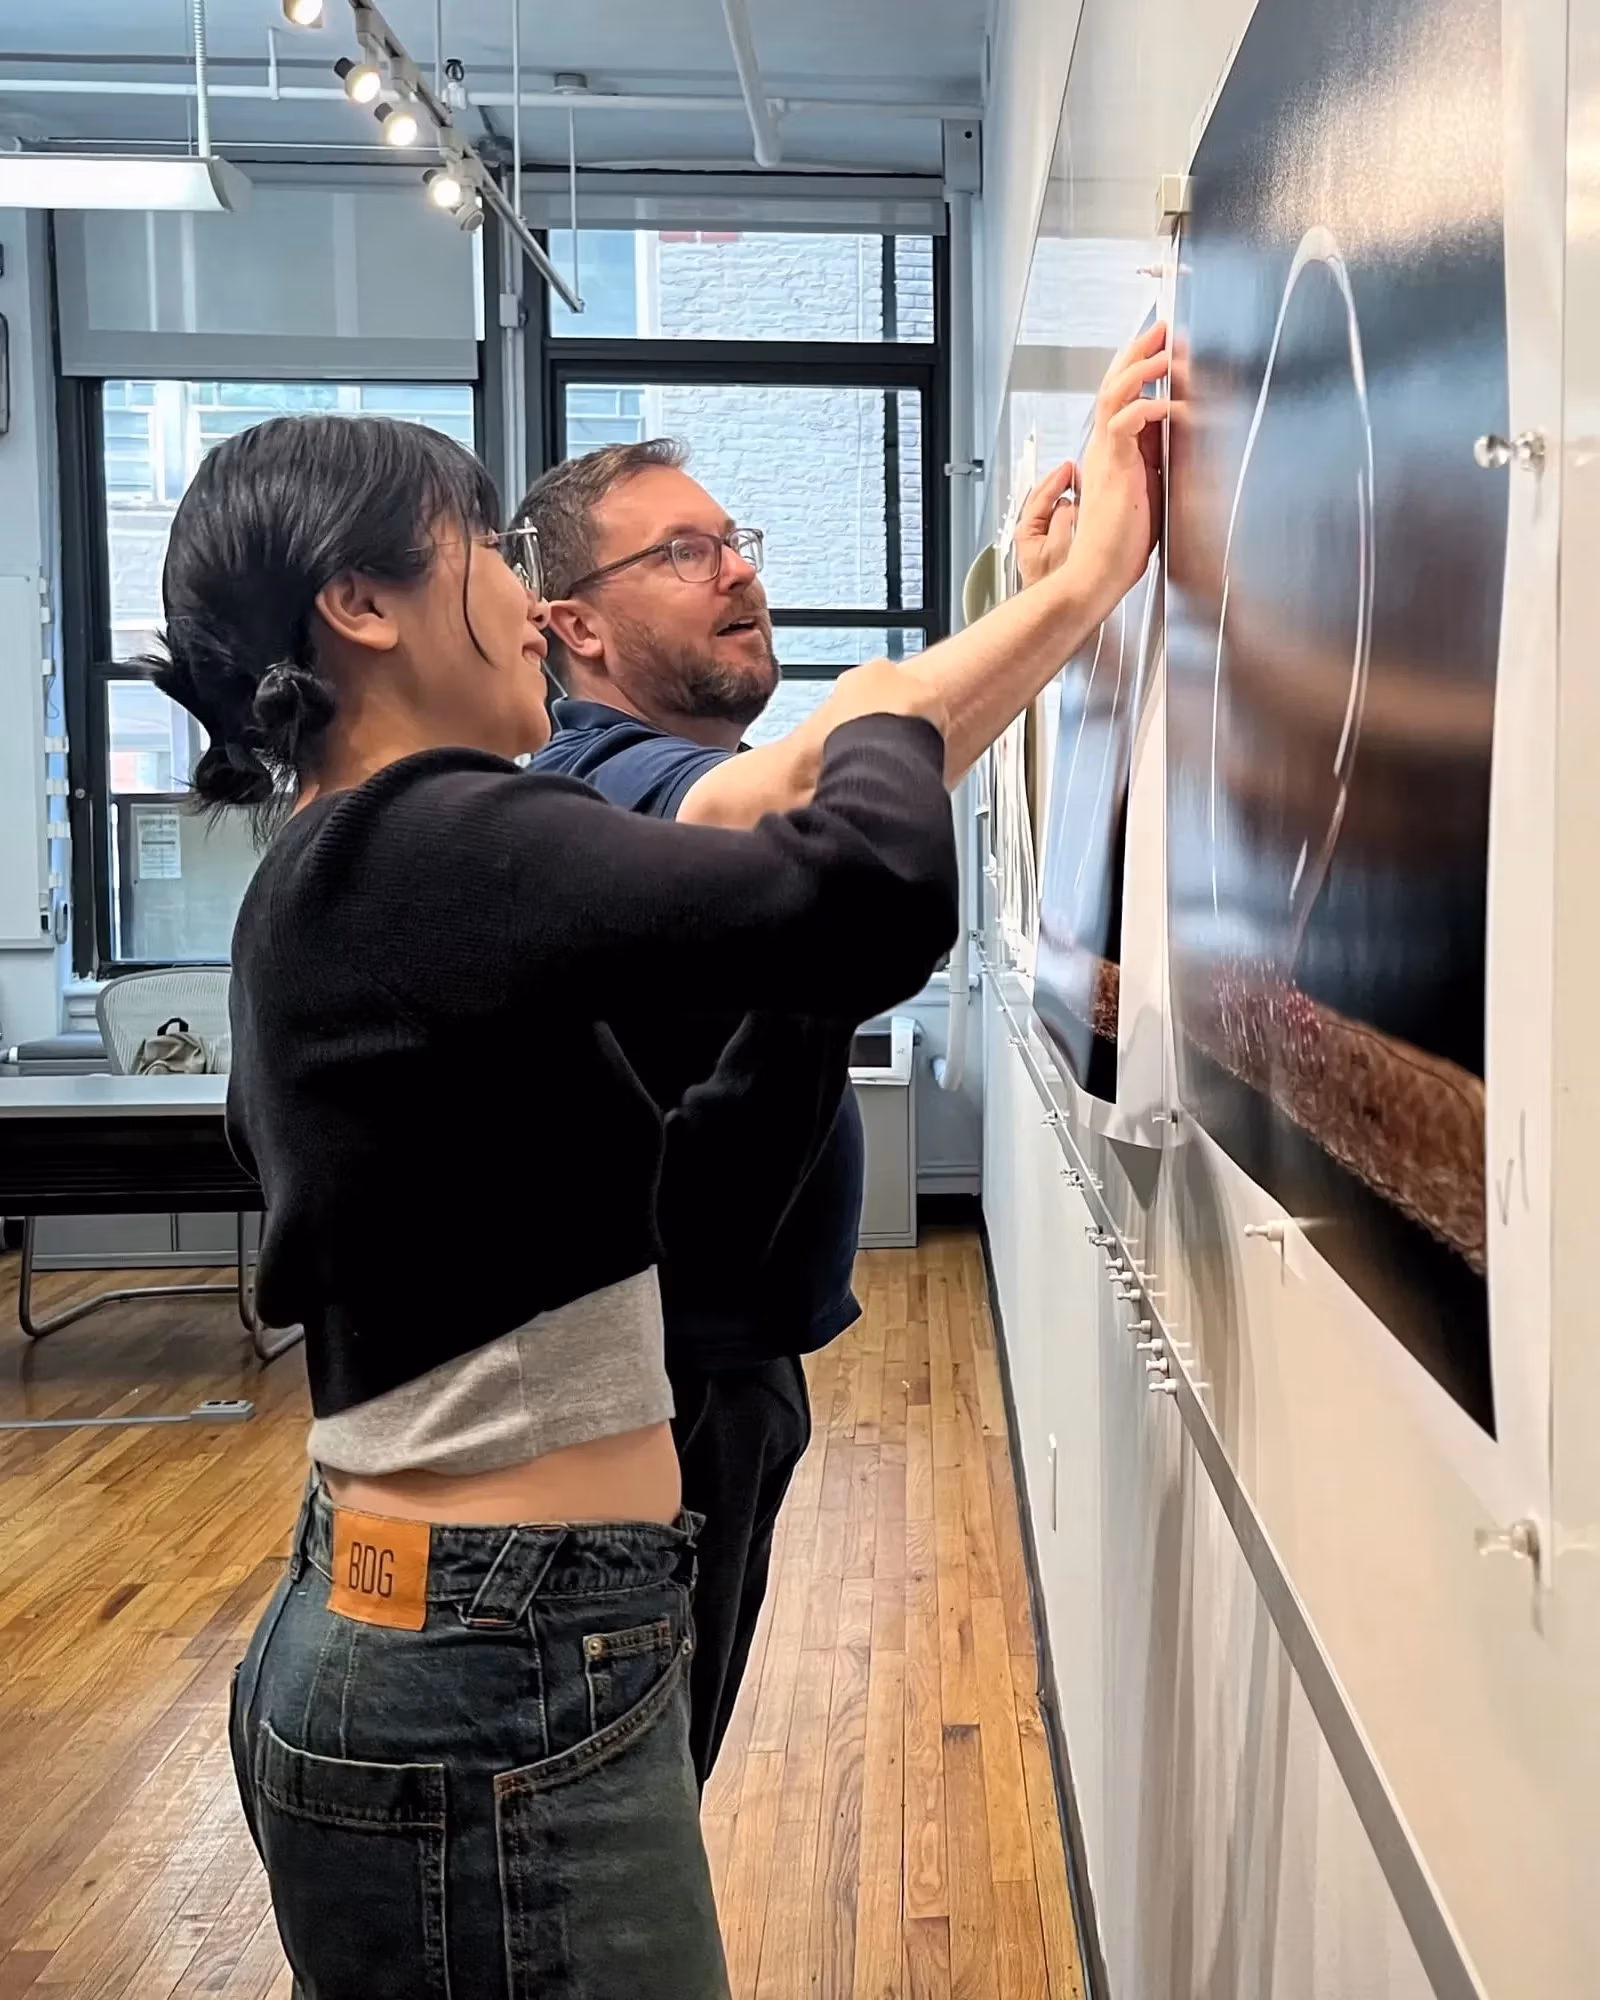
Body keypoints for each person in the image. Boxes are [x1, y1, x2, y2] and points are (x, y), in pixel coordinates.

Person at [146, 411, 963, 1997]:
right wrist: (882, 706)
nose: (527, 607)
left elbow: (691, 1185)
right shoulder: (427, 837)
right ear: (362, 607)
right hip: (481, 1673)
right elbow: (866, 894)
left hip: (472, 1637)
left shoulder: (345, 870)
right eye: (481, 556)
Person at [521, 322, 1170, 1781]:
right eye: (684, 554)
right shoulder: (603, 784)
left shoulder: (654, 777)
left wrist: (1040, 598)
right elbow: (823, 784)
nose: (742, 567)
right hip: (666, 1387)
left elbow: (869, 776)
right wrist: (1084, 585)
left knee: (649, 1780)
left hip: (719, 1361)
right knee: (623, 1799)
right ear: (576, 626)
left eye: (732, 538)